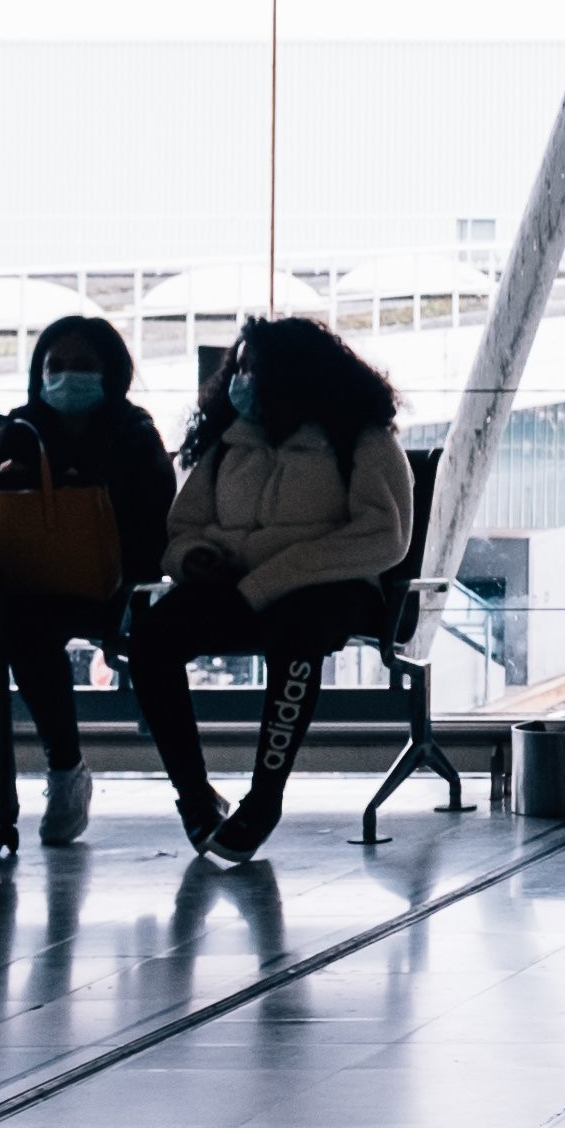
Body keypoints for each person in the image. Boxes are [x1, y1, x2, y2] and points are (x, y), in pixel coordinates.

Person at [116, 315, 414, 861]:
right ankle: (194, 795)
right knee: (153, 637)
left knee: (297, 629)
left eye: (256, 369)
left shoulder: (361, 440)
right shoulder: (227, 442)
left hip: (330, 587)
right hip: (235, 585)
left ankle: (264, 798)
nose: (242, 379)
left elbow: (383, 536)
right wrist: (194, 559)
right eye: (241, 366)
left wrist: (273, 578)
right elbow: (184, 528)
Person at [0, 314, 179, 847]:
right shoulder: (17, 431)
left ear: (112, 372)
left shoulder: (135, 435)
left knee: (122, 629)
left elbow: (157, 527)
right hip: (35, 582)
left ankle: (189, 792)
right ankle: (64, 767)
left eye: (83, 365)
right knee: (24, 630)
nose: (66, 376)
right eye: (55, 366)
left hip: (117, 584)